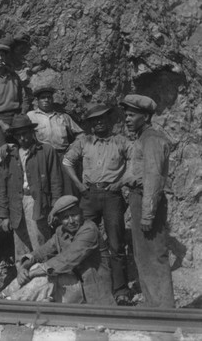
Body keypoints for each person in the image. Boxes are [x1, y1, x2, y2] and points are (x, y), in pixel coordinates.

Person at [63, 104, 131, 304]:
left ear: (109, 121)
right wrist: (78, 185)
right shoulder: (83, 142)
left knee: (116, 243)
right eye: (95, 120)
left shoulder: (121, 141)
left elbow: (136, 161)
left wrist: (121, 182)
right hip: (89, 194)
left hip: (112, 196)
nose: (99, 122)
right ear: (91, 124)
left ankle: (121, 291)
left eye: (103, 118)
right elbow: (67, 162)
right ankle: (80, 288)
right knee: (81, 239)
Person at [0, 196, 115, 305]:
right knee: (34, 267)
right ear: (59, 220)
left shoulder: (89, 230)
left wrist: (31, 273)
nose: (71, 221)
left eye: (74, 215)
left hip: (91, 291)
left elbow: (66, 260)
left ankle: (11, 302)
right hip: (71, 287)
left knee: (46, 275)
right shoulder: (61, 232)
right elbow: (40, 252)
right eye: (65, 217)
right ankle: (4, 296)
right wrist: (23, 268)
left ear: (81, 213)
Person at [119, 94, 174, 308]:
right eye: (126, 114)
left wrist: (147, 214)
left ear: (146, 116)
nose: (127, 119)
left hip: (147, 201)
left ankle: (164, 310)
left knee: (154, 256)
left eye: (132, 115)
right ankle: (155, 306)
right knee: (143, 256)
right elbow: (139, 173)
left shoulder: (151, 139)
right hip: (139, 199)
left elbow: (152, 178)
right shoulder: (143, 138)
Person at [0, 114, 63, 270]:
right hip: (16, 204)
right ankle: (23, 281)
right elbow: (2, 187)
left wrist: (55, 208)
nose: (22, 138)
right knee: (20, 245)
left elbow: (56, 182)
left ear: (32, 132)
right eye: (18, 134)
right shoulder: (9, 155)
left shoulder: (46, 151)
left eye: (25, 133)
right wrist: (4, 215)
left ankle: (44, 280)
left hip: (38, 202)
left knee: (40, 242)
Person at [27, 86, 83, 195]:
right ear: (37, 101)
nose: (46, 100)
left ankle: (69, 210)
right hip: (42, 156)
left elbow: (81, 134)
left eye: (49, 97)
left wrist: (73, 148)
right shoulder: (31, 116)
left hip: (62, 155)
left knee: (68, 187)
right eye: (43, 98)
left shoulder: (63, 117)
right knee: (45, 187)